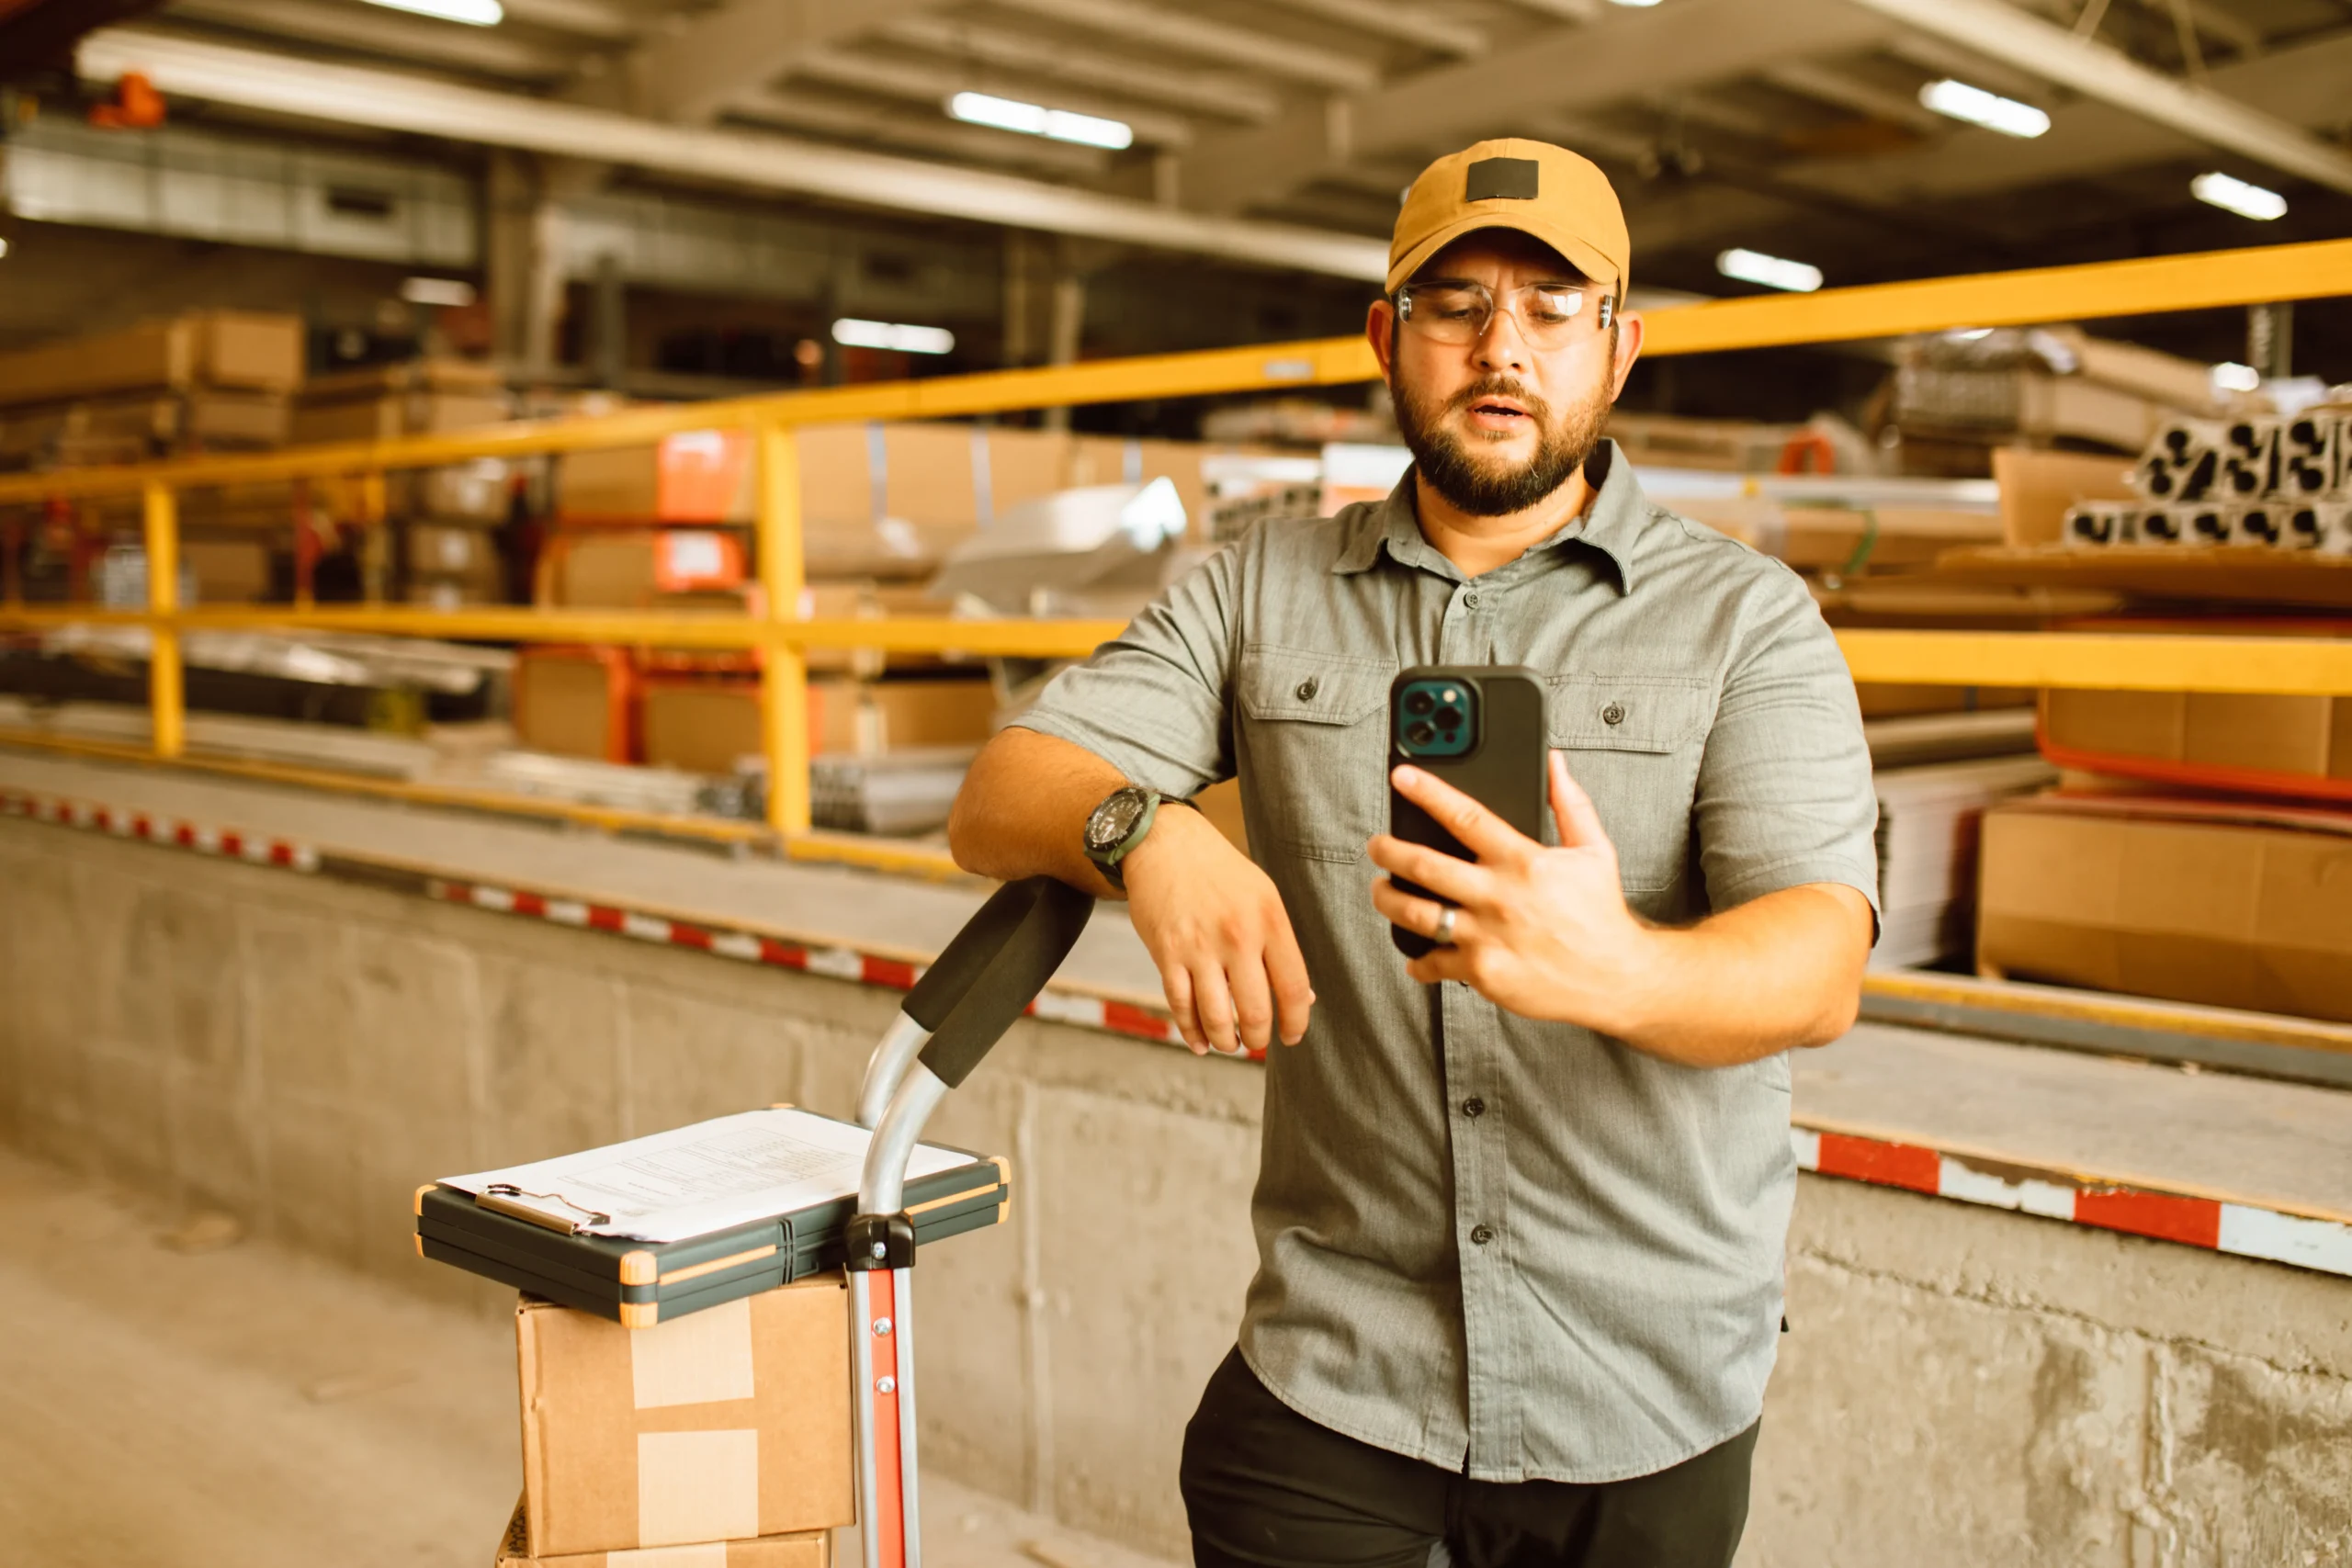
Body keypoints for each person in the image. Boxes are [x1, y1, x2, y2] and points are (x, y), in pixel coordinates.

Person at [947, 137, 1879, 1568]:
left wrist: (1614, 963)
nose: (1502, 347)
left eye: (1553, 308)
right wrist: (1151, 835)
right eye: (1455, 304)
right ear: (1389, 336)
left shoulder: (1746, 621)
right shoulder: (1265, 585)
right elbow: (1000, 789)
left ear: (1618, 349)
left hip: (1639, 1395)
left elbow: (1817, 961)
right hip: (1341, 1373)